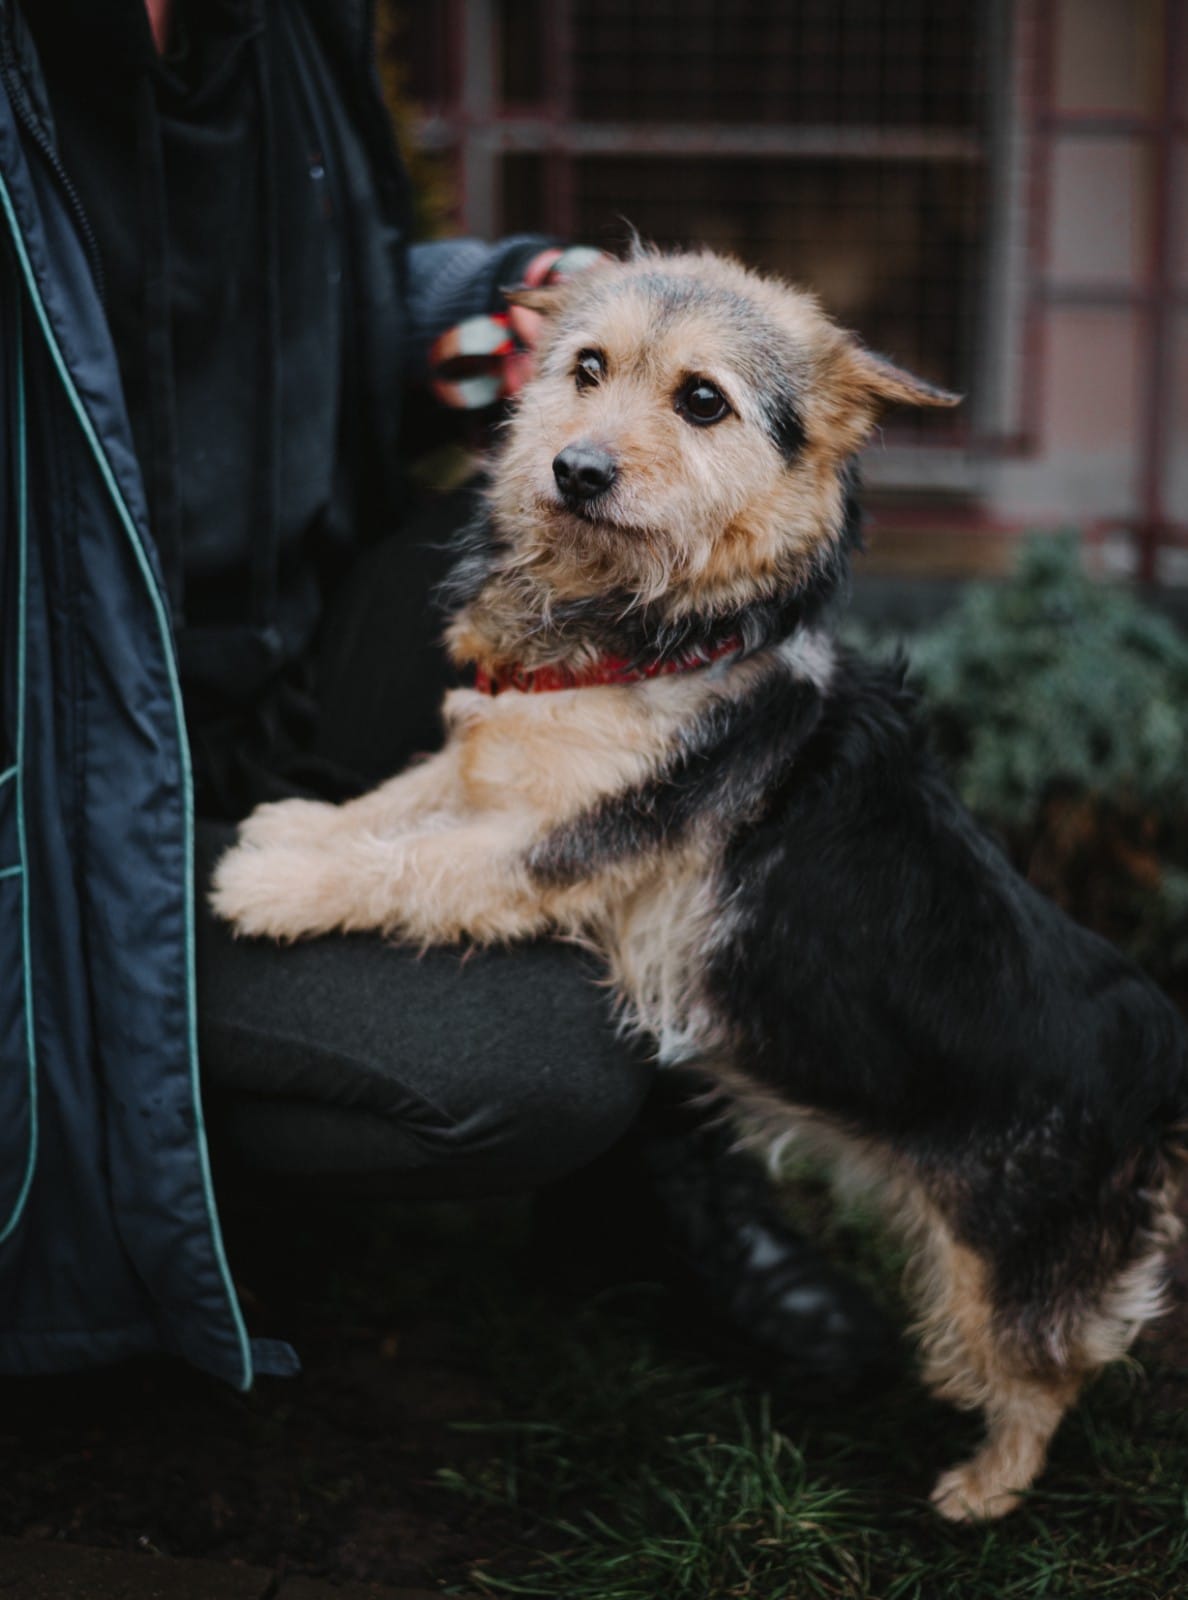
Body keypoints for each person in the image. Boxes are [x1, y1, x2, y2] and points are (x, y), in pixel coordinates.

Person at [8, 0, 892, 1383]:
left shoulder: (281, 30)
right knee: (532, 1069)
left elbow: (323, 293)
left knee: (644, 588)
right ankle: (179, 1169)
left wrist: (507, 313)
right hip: (60, 797)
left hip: (291, 673)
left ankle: (665, 1173)